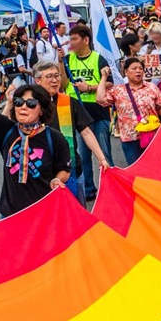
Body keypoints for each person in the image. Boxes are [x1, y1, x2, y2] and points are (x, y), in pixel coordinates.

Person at [0, 61, 73, 217]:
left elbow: (64, 169)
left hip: (45, 213)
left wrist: (57, 180)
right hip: (10, 214)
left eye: (30, 103)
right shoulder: (6, 130)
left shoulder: (55, 138)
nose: (23, 107)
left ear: (41, 110)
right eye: (19, 102)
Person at [22, 61, 109, 204]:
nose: (55, 80)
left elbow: (86, 132)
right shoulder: (27, 105)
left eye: (57, 76)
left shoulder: (69, 102)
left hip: (71, 168)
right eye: (49, 76)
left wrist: (101, 158)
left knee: (77, 215)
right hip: (39, 172)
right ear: (37, 80)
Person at [64, 26, 114, 200]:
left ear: (85, 40)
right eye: (69, 39)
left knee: (104, 153)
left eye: (74, 39)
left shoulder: (99, 59)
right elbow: (63, 83)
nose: (71, 43)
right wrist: (57, 59)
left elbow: (109, 83)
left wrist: (89, 88)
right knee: (83, 154)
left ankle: (112, 186)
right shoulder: (67, 59)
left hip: (97, 111)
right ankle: (89, 189)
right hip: (76, 111)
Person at [97, 57, 161, 165]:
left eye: (140, 68)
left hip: (152, 136)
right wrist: (104, 77)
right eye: (134, 68)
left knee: (155, 168)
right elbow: (100, 99)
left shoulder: (152, 87)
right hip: (130, 139)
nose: (138, 71)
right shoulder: (118, 90)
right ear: (126, 72)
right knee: (136, 171)